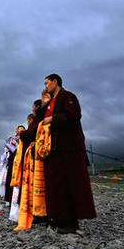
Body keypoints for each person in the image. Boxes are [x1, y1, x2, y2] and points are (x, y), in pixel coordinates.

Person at [42, 73, 96, 233]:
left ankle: (71, 223)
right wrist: (45, 106)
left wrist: (52, 119)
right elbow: (42, 120)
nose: (45, 86)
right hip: (55, 149)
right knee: (56, 185)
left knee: (71, 184)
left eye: (47, 83)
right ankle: (58, 218)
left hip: (70, 148)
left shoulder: (68, 96)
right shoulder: (51, 101)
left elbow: (74, 116)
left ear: (55, 82)